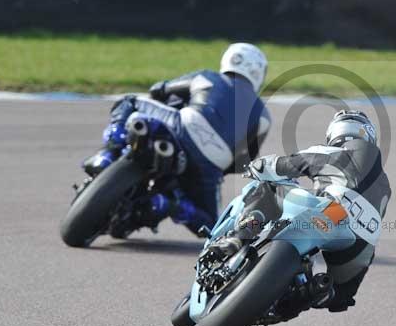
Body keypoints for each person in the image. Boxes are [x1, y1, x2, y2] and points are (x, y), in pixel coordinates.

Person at [83, 43, 271, 236]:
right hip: (212, 163)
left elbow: (159, 89)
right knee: (211, 224)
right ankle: (170, 204)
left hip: (182, 128)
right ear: (258, 73)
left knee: (128, 101)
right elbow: (245, 161)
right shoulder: (264, 116)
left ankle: (109, 151)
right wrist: (218, 170)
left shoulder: (208, 77)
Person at [216, 110, 391, 313]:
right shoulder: (385, 185)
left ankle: (241, 233)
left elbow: (283, 166)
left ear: (334, 134)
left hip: (332, 212)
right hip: (361, 242)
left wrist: (257, 166)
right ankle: (307, 294)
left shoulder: (333, 152)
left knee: (270, 189)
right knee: (338, 296)